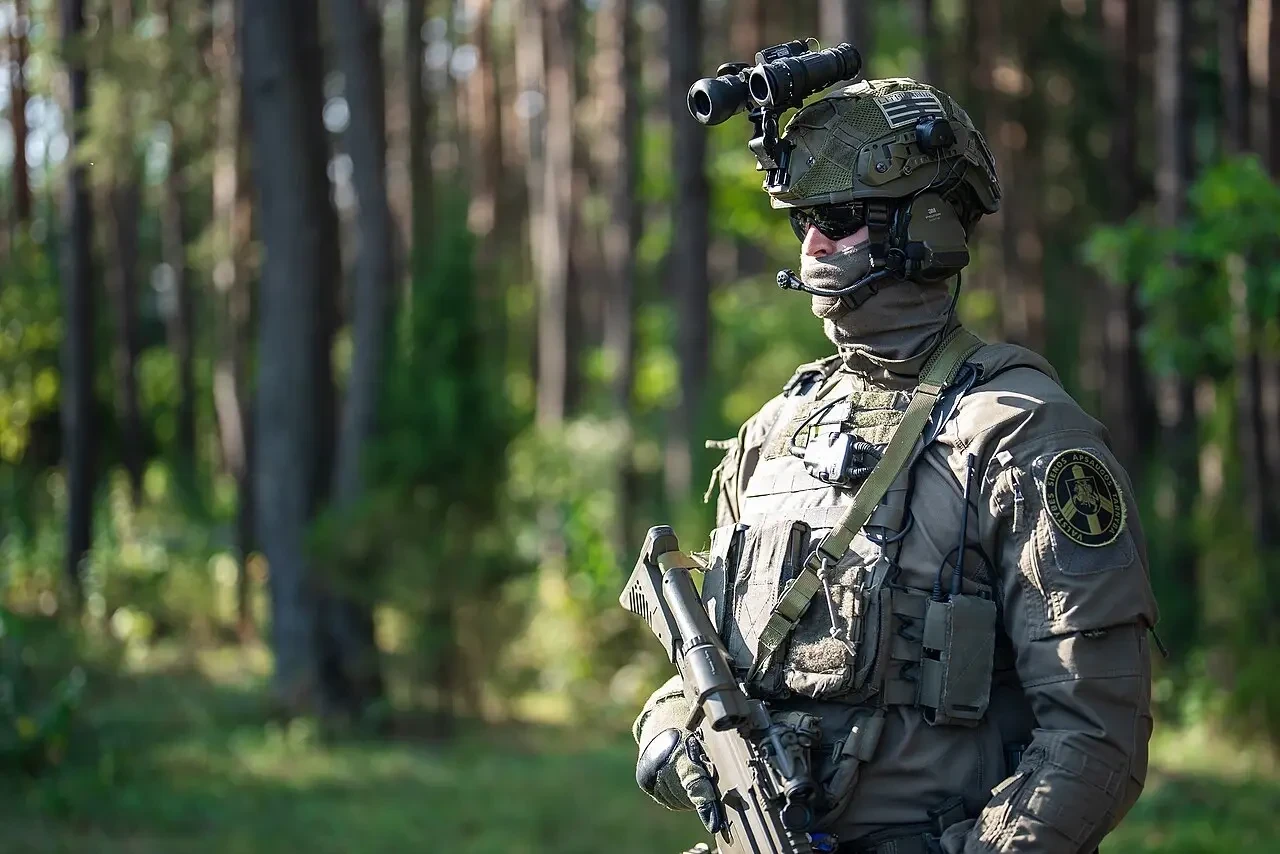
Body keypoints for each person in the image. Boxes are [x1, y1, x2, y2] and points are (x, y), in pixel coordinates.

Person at [631, 76, 1159, 854]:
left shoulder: (1020, 434)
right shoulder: (776, 430)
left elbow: (1096, 735)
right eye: (804, 222)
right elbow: (716, 665)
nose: (812, 247)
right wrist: (671, 733)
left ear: (926, 223)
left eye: (839, 220)